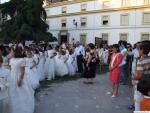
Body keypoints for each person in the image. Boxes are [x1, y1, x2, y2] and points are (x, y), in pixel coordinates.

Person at [9, 46, 34, 113]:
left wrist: (20, 80)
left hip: (19, 76)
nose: (10, 52)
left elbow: (22, 72)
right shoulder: (11, 60)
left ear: (15, 52)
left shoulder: (21, 60)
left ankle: (23, 109)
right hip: (12, 76)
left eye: (11, 51)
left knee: (21, 92)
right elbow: (11, 69)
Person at [132, 40, 150, 111]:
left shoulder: (141, 61)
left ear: (142, 50)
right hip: (148, 84)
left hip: (141, 84)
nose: (138, 51)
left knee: (138, 102)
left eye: (139, 49)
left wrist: (133, 77)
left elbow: (139, 76)